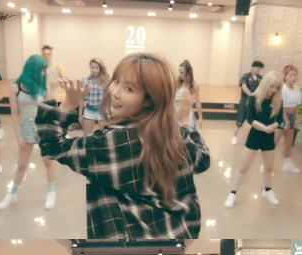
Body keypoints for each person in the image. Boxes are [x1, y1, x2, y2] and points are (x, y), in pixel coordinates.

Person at [36, 53, 210, 239]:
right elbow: (203, 160)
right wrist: (185, 122)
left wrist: (69, 103)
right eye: (116, 81)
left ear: (148, 100)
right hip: (179, 233)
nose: (115, 92)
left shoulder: (115, 142)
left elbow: (52, 146)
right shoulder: (173, 130)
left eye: (129, 89)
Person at [0, 55, 58, 211]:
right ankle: (12, 193)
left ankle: (51, 192)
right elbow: (14, 112)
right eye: (41, 70)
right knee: (21, 165)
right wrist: (17, 135)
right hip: (25, 126)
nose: (43, 73)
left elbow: (51, 110)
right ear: (33, 69)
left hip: (42, 127)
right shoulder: (15, 87)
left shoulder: (44, 87)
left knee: (48, 161)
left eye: (44, 70)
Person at [224, 71, 284, 208]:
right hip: (255, 136)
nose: (273, 90)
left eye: (277, 87)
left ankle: (267, 190)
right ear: (266, 84)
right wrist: (264, 128)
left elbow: (279, 120)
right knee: (243, 168)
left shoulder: (277, 101)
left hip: (268, 137)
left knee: (268, 168)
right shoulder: (254, 98)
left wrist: (272, 127)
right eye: (272, 86)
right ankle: (233, 193)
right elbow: (250, 119)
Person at [232, 60, 264, 145]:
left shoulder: (260, 78)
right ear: (253, 67)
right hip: (245, 100)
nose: (258, 70)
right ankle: (234, 136)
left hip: (255, 101)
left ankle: (255, 138)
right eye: (257, 68)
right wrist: (251, 95)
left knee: (255, 119)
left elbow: (262, 88)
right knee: (240, 119)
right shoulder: (246, 76)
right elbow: (244, 86)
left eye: (260, 68)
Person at [278, 65, 301, 173]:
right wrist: (286, 121)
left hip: (291, 116)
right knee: (273, 143)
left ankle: (287, 165)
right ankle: (265, 166)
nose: (293, 78)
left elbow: (297, 105)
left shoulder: (296, 89)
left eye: (295, 75)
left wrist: (296, 118)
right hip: (281, 116)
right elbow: (281, 107)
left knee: (288, 143)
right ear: (285, 76)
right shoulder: (283, 89)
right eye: (290, 75)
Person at [80, 58, 109, 136]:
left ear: (100, 69)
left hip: (102, 111)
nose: (94, 70)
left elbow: (108, 97)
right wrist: (80, 114)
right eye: (92, 67)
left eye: (96, 68)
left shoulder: (106, 80)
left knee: (105, 135)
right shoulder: (85, 80)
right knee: (86, 136)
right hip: (89, 110)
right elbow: (82, 98)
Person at [175, 60, 204, 130]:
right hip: (177, 113)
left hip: (188, 115)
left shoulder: (195, 86)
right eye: (179, 72)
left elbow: (197, 102)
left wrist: (200, 117)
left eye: (182, 73)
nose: (180, 75)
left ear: (188, 73)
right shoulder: (178, 84)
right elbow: (174, 99)